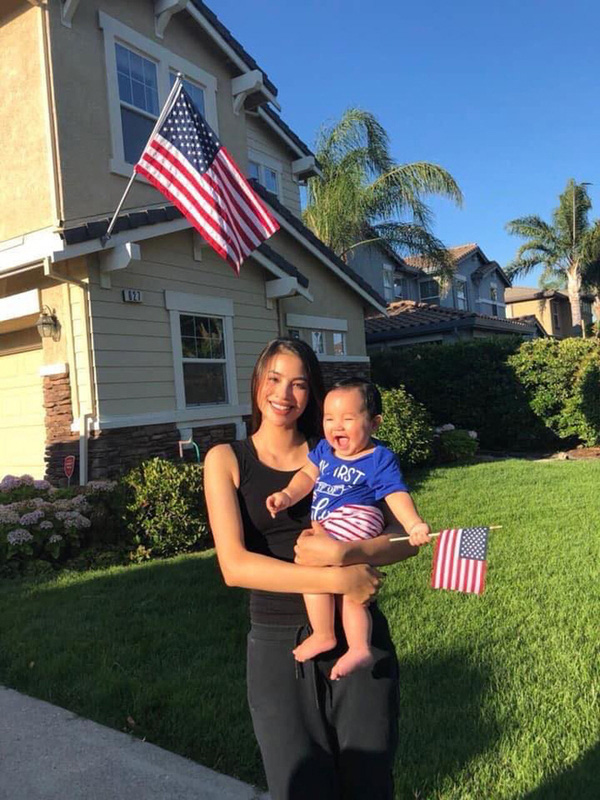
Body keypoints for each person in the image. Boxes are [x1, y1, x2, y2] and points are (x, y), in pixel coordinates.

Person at [204, 338, 420, 800]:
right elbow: (234, 566)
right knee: (300, 787)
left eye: (299, 384)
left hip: (356, 634)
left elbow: (406, 540)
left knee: (369, 785)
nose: (284, 394)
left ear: (312, 394)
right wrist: (335, 577)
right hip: (278, 646)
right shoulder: (227, 459)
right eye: (275, 379)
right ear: (257, 382)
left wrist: (346, 555)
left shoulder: (340, 451)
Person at [266, 379, 430, 680]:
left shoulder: (378, 457)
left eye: (348, 419)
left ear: (374, 423)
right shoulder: (324, 451)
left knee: (308, 563)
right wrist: (287, 495)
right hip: (335, 523)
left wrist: (413, 523)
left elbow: (395, 493)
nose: (336, 426)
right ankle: (359, 647)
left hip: (355, 517)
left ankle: (324, 633)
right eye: (329, 418)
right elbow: (307, 476)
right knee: (347, 586)